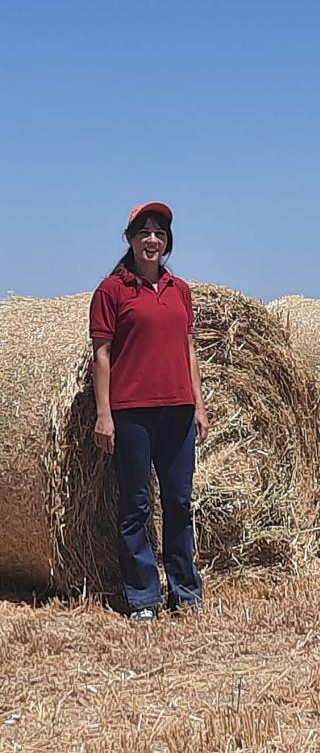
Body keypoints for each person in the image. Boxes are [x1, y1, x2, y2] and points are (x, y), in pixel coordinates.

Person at [90, 201, 208, 620]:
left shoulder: (180, 291)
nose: (152, 240)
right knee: (136, 505)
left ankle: (186, 592)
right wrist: (104, 414)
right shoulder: (112, 290)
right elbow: (102, 355)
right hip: (132, 412)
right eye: (144, 233)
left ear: (167, 242)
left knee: (179, 501)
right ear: (131, 240)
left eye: (159, 233)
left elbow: (189, 348)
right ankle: (143, 597)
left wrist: (199, 404)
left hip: (178, 410)